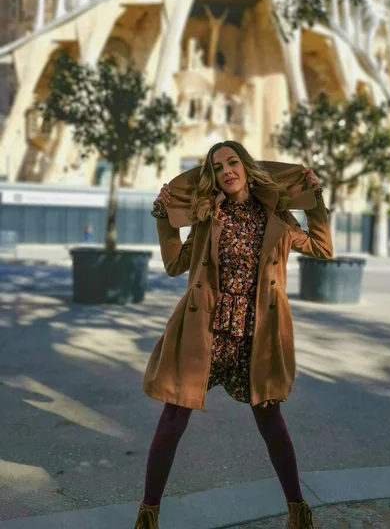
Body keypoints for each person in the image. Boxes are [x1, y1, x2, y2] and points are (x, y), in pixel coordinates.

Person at [133, 141, 333, 529]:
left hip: (255, 333)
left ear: (246, 167)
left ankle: (298, 511)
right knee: (173, 417)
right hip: (206, 330)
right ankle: (147, 514)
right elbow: (175, 264)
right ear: (213, 177)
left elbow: (322, 248)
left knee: (270, 418)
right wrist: (163, 218)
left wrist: (315, 200)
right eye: (218, 166)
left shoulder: (276, 217)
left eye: (233, 162)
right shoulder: (208, 216)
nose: (227, 170)